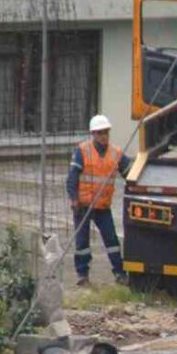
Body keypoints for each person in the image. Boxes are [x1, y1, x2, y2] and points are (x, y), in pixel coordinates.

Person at [66, 114, 132, 287]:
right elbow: (72, 177)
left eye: (106, 132)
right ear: (93, 134)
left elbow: (130, 174)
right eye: (100, 133)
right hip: (83, 205)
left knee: (112, 240)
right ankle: (82, 275)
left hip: (103, 206)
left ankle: (120, 273)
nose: (104, 136)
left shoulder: (116, 153)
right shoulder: (82, 151)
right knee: (82, 242)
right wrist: (73, 199)